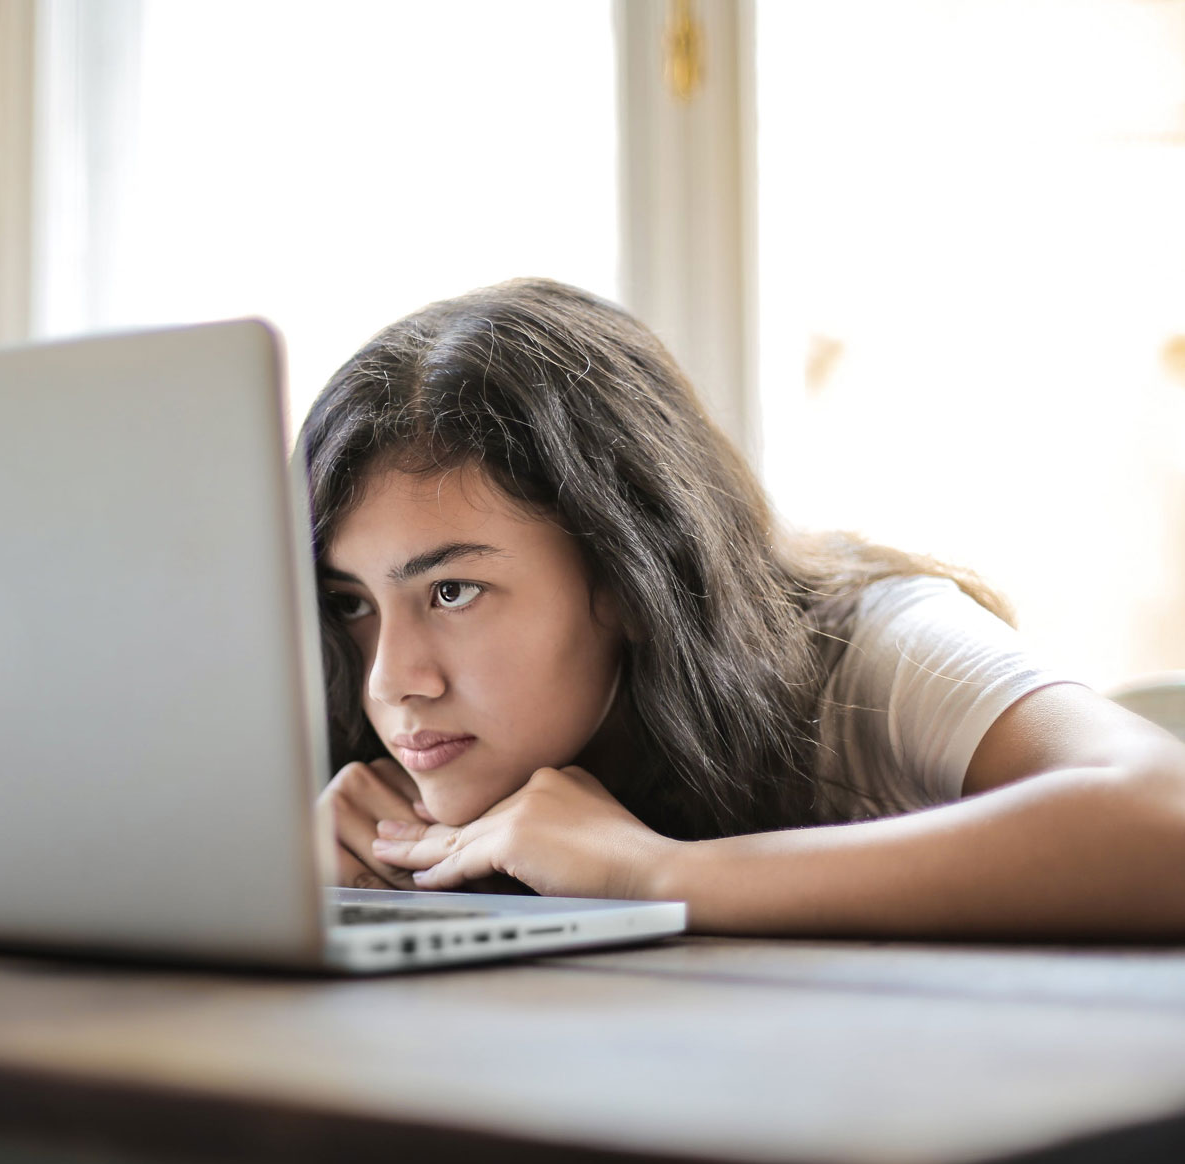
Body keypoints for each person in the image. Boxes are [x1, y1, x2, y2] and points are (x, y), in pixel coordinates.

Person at [296, 277, 1185, 940]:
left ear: (631, 572)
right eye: (352, 602)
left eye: (452, 591)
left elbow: (1165, 818)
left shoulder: (869, 649)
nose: (391, 680)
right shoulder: (372, 766)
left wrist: (657, 873)